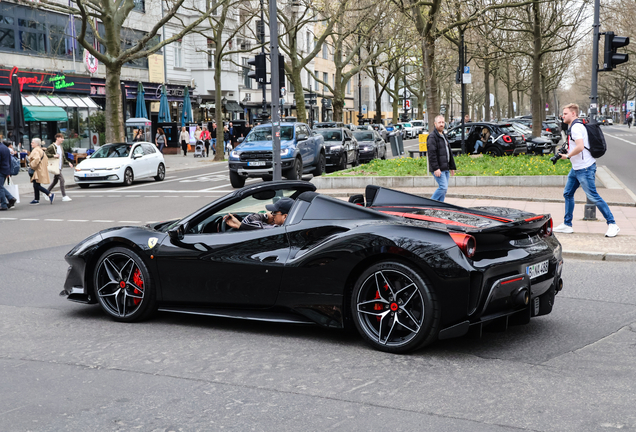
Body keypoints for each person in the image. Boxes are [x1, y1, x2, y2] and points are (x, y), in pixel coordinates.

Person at [553, 103, 620, 237]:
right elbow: (576, 146)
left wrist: (567, 156)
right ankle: (567, 224)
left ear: (573, 114)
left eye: (565, 113)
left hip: (585, 168)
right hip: (577, 168)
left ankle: (613, 224)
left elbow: (580, 147)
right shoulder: (574, 127)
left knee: (593, 196)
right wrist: (565, 151)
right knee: (568, 193)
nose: (563, 115)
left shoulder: (576, 127)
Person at [427, 115, 456, 202]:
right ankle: (429, 204)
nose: (441, 124)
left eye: (443, 122)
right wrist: (436, 168)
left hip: (445, 167)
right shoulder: (432, 137)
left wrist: (452, 167)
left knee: (444, 190)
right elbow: (432, 154)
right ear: (435, 124)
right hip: (439, 168)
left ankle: (439, 206)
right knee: (443, 188)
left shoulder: (443, 135)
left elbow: (448, 152)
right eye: (439, 122)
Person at [224, 197, 294, 230]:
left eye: (274, 213)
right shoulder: (292, 227)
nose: (272, 215)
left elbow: (249, 221)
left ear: (285, 217)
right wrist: (240, 226)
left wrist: (265, 216)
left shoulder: (279, 229)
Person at [45, 133, 73, 202]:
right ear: (57, 138)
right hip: (55, 166)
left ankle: (46, 192)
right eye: (61, 138)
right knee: (62, 180)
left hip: (59, 166)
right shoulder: (52, 146)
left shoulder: (60, 147)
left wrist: (68, 162)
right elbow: (45, 153)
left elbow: (63, 157)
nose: (63, 139)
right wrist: (53, 155)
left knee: (55, 181)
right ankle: (64, 196)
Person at [28, 138, 54, 205]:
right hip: (40, 169)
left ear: (36, 144)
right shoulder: (41, 150)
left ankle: (49, 194)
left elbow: (37, 159)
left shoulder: (36, 150)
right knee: (36, 184)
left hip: (37, 169)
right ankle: (36, 199)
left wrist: (31, 165)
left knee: (36, 185)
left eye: (32, 142)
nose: (31, 143)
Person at [0, 140, 17, 211]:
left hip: (1, 170)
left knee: (0, 188)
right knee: (0, 186)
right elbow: (9, 160)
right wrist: (8, 171)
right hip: (5, 169)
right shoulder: (5, 147)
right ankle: (10, 198)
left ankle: (3, 204)